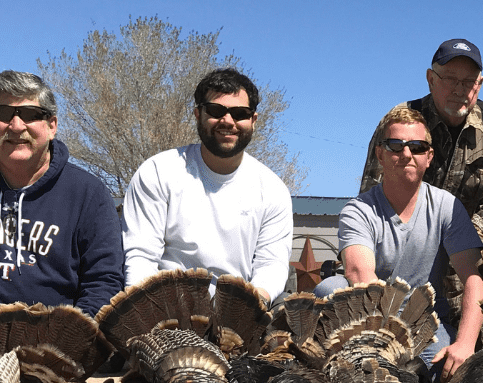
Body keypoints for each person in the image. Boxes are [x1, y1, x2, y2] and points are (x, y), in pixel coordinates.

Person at [318, 106, 483, 379]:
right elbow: (359, 274)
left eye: (417, 147)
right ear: (380, 155)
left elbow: (474, 279)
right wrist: (388, 344)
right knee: (329, 288)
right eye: (396, 146)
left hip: (426, 320)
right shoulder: (358, 210)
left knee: (450, 373)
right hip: (369, 316)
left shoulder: (447, 206)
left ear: (429, 157)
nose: (406, 154)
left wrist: (465, 344)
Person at [122, 68, 293, 303]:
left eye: (240, 113)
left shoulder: (273, 190)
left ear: (253, 121)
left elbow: (271, 265)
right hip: (167, 307)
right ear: (197, 114)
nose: (228, 121)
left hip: (238, 307)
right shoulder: (158, 172)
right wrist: (147, 311)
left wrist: (250, 307)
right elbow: (140, 255)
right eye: (215, 110)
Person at [0, 70, 123, 315]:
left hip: (55, 343)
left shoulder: (88, 193)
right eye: (3, 113)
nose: (16, 125)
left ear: (52, 126)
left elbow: (103, 282)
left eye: (30, 115)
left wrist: (73, 340)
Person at [358, 38, 483, 232]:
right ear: (431, 79)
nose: (459, 90)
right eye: (450, 79)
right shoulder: (399, 121)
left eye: (468, 81)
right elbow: (371, 192)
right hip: (402, 241)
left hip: (467, 248)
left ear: (479, 84)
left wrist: (469, 239)